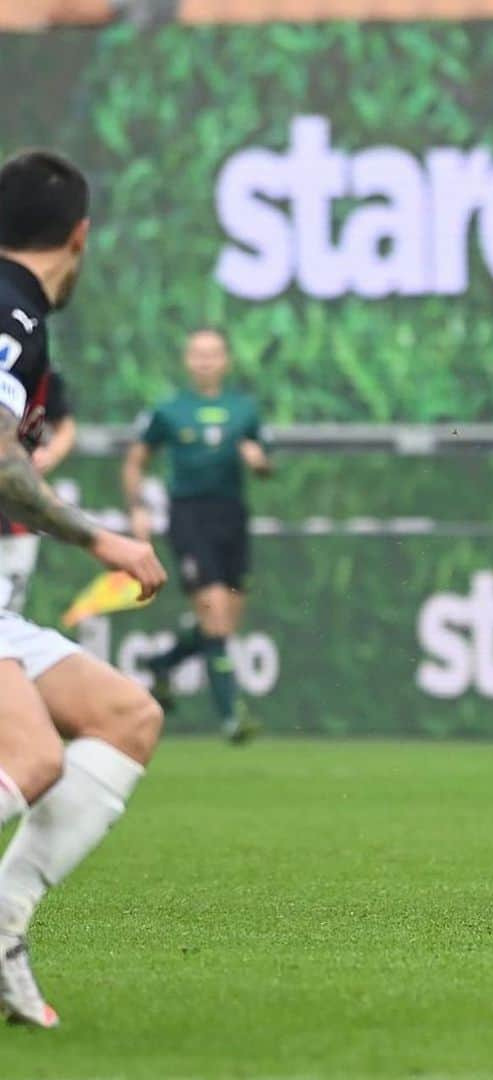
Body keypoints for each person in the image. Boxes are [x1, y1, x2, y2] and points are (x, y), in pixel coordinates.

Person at [0, 148, 167, 1027]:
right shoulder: (12, 312)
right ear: (81, 235)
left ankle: (2, 932)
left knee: (125, 718)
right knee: (31, 759)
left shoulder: (20, 314)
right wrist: (103, 536)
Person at [123, 327, 270, 744]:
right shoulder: (169, 411)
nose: (205, 360)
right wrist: (137, 508)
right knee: (214, 611)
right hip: (189, 517)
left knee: (222, 623)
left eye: (213, 353)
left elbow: (265, 463)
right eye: (198, 353)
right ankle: (231, 717)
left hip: (232, 517)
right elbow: (135, 462)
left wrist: (258, 461)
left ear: (226, 360)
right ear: (188, 360)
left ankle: (163, 663)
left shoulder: (244, 410)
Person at [0, 369, 77, 613]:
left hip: (16, 511)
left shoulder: (39, 371)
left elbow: (66, 426)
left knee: (10, 611)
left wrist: (50, 454)